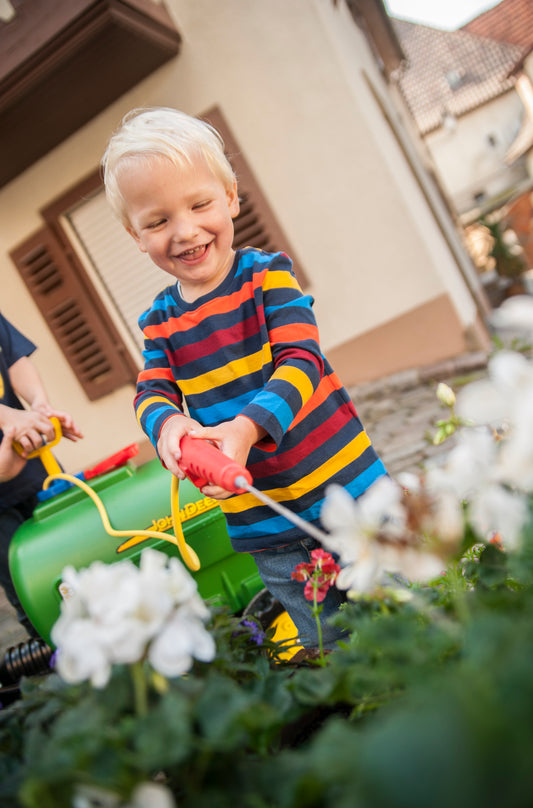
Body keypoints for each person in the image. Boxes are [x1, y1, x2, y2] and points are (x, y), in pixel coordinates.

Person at [101, 107, 387, 648]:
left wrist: (247, 428)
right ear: (135, 235)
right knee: (334, 645)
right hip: (266, 528)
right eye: (158, 222)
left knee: (403, 605)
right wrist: (169, 428)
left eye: (199, 204)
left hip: (351, 493)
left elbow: (301, 359)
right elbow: (152, 391)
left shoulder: (266, 276)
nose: (185, 231)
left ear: (231, 196)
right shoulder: (160, 323)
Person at [0, 312, 83, 634]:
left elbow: (14, 359)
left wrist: (39, 407)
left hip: (37, 470)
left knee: (81, 563)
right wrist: (8, 417)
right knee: (35, 598)